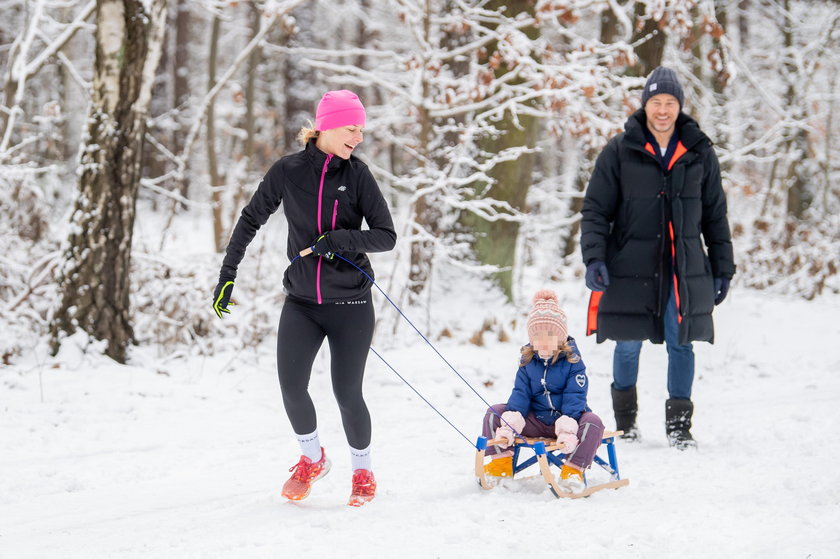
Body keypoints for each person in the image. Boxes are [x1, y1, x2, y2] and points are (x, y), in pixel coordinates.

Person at [212, 90, 397, 506]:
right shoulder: (288, 171)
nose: (359, 137)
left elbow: (386, 236)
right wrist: (229, 273)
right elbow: (251, 218)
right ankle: (312, 459)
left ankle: (363, 472)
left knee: (347, 392)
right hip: (301, 302)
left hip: (350, 303)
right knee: (292, 387)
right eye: (352, 128)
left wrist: (339, 240)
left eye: (362, 130)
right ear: (326, 126)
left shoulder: (359, 176)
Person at [580, 66, 735, 450]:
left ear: (679, 106)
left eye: (669, 102)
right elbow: (596, 210)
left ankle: (679, 427)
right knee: (626, 341)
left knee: (682, 342)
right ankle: (626, 424)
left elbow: (715, 214)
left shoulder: (699, 151)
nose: (662, 110)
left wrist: (722, 268)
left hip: (684, 267)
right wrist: (594, 258)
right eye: (655, 102)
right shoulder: (620, 150)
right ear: (645, 105)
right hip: (630, 264)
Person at [481, 290, 605, 494]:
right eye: (537, 336)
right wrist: (512, 419)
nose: (543, 341)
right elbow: (520, 393)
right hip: (535, 421)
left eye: (550, 336)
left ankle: (573, 471)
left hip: (567, 423)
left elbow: (575, 396)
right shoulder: (528, 362)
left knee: (594, 422)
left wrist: (567, 425)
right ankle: (500, 465)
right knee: (494, 411)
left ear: (561, 337)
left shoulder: (573, 362)